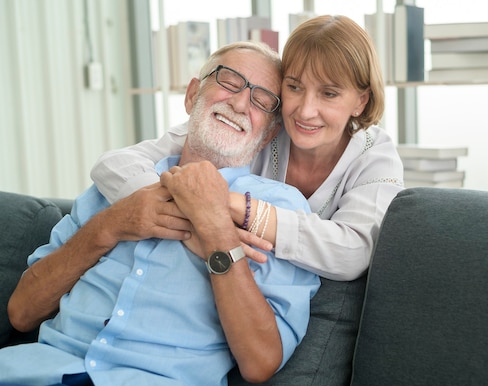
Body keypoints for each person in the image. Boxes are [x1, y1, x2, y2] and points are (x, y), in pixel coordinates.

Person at [0, 41, 319, 386]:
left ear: (268, 135)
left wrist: (216, 229)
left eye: (262, 101)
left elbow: (261, 362)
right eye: (230, 81)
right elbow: (21, 312)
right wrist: (112, 224)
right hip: (38, 373)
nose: (239, 103)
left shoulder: (278, 211)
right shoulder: (116, 186)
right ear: (192, 95)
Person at [90, 15, 405, 282]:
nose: (306, 111)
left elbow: (352, 253)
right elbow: (115, 164)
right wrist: (197, 220)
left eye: (329, 94)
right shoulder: (259, 127)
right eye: (294, 87)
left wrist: (225, 207)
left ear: (360, 100)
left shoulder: (374, 155)